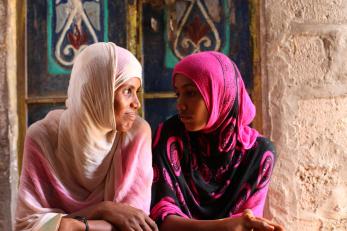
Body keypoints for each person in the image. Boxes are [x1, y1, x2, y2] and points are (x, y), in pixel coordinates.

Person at [15, 42, 158, 231]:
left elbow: (134, 223)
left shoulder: (136, 134)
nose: (136, 104)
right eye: (127, 91)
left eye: (136, 92)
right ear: (98, 91)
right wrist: (104, 209)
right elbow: (27, 225)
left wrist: (72, 225)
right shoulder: (43, 137)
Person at [150, 51, 284, 231]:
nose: (180, 104)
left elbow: (247, 224)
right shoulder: (171, 136)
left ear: (220, 93)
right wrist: (223, 227)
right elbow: (162, 220)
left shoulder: (259, 153)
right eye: (178, 94)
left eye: (190, 93)